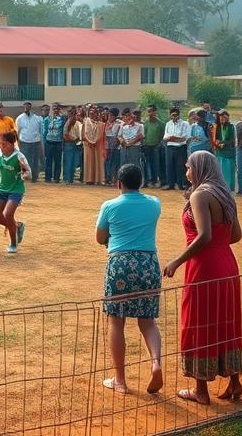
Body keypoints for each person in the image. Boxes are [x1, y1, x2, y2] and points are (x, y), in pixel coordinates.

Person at [163, 151, 242, 404]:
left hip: (204, 266)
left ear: (198, 168)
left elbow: (204, 235)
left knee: (199, 321)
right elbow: (236, 235)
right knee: (226, 320)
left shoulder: (200, 195)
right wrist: (219, 246)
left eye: (188, 167)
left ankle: (200, 390)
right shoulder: (224, 194)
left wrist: (177, 260)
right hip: (227, 263)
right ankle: (234, 382)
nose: (186, 171)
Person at [95, 164, 163, 395]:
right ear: (140, 182)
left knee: (116, 321)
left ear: (119, 183)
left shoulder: (109, 206)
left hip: (120, 263)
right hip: (148, 264)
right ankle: (156, 363)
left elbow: (100, 237)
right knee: (148, 320)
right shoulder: (154, 203)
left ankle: (120, 380)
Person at [0, 132, 31, 253]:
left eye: (4, 144)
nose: (2, 146)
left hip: (16, 190)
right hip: (2, 188)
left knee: (8, 214)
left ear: (12, 144)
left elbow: (27, 171)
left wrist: (25, 175)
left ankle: (13, 244)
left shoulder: (19, 156)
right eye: (0, 143)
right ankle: (17, 226)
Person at [163, 108, 190, 190]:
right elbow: (165, 137)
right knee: (169, 165)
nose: (175, 117)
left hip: (180, 147)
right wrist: (175, 138)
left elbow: (185, 137)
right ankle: (170, 184)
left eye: (176, 115)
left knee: (180, 166)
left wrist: (173, 138)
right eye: (173, 115)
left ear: (179, 115)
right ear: (170, 115)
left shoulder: (184, 123)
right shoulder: (168, 124)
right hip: (170, 147)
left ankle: (180, 184)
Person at [15, 102, 42, 182]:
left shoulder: (37, 118)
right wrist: (18, 143)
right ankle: (25, 177)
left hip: (35, 142)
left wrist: (40, 142)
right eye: (25, 106)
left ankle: (34, 177)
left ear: (30, 107)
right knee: (24, 161)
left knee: (35, 161)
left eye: (28, 106)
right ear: (23, 107)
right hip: (24, 142)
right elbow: (17, 132)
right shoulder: (19, 118)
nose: (27, 108)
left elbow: (40, 131)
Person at [142, 105, 165, 188]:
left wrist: (158, 144)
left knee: (156, 164)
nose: (149, 113)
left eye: (151, 111)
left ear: (155, 112)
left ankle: (157, 181)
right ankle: (148, 181)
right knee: (147, 164)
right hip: (146, 147)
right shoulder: (145, 124)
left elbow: (162, 135)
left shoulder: (161, 124)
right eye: (148, 111)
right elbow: (143, 135)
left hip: (156, 147)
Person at [212, 110, 236, 191]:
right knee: (220, 171)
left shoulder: (231, 126)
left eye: (225, 117)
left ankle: (229, 188)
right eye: (221, 117)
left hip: (229, 152)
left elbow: (232, 140)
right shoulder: (216, 127)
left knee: (229, 171)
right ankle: (221, 187)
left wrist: (223, 143)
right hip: (219, 152)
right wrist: (217, 143)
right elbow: (214, 139)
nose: (223, 119)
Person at [82, 106, 105, 185]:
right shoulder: (86, 121)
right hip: (88, 145)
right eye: (90, 113)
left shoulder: (100, 124)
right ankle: (88, 179)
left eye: (93, 113)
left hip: (97, 145)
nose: (92, 115)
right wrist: (90, 141)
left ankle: (97, 179)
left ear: (96, 114)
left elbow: (101, 133)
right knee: (88, 161)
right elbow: (84, 134)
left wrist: (95, 141)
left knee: (97, 161)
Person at [43, 103, 65, 183]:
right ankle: (48, 177)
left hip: (58, 142)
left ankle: (56, 178)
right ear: (52, 110)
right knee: (48, 160)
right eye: (54, 108)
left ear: (59, 110)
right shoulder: (47, 119)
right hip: (49, 142)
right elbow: (44, 131)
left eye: (57, 109)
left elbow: (63, 131)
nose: (55, 110)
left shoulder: (62, 119)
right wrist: (45, 141)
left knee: (58, 161)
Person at [118, 110, 144, 175]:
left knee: (135, 164)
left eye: (132, 118)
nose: (130, 119)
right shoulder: (123, 126)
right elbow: (119, 136)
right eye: (128, 117)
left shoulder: (140, 126)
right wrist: (122, 141)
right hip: (124, 147)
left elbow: (140, 137)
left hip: (134, 147)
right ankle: (124, 181)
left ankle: (139, 181)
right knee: (123, 164)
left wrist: (130, 143)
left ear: (134, 118)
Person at [63, 107, 83, 185]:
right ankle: (68, 179)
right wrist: (72, 140)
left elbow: (80, 135)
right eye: (72, 114)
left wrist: (76, 140)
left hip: (76, 145)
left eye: (75, 114)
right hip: (69, 144)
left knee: (75, 162)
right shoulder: (67, 123)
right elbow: (65, 135)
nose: (73, 116)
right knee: (69, 162)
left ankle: (71, 178)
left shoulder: (78, 123)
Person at [103, 108, 121, 186]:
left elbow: (115, 134)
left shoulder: (118, 124)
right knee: (107, 162)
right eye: (109, 115)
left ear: (114, 116)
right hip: (107, 145)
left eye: (110, 115)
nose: (109, 117)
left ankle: (114, 179)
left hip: (115, 145)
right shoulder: (105, 123)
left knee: (114, 163)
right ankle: (107, 178)